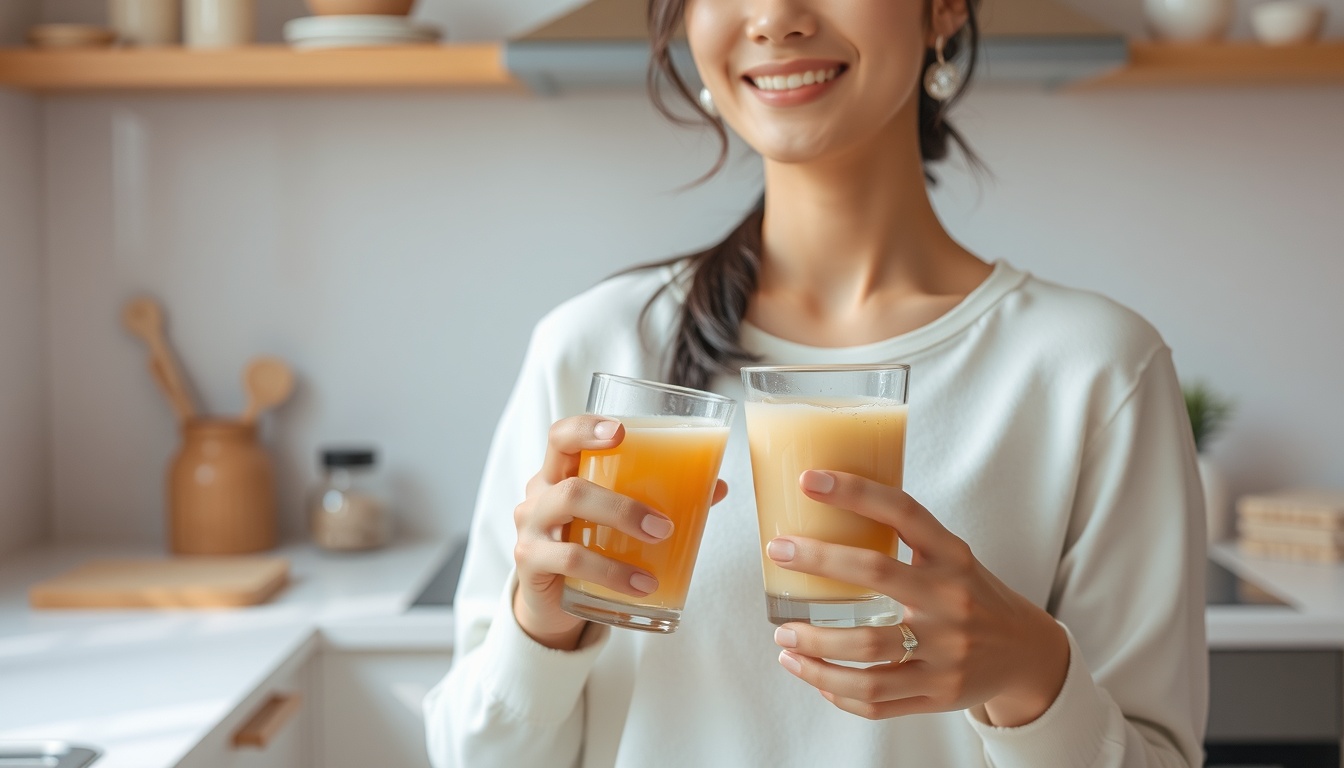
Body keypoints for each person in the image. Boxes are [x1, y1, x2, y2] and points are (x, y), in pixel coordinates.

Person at [423, 0, 1208, 765]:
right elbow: (470, 755)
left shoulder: (1097, 370)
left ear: (944, 11)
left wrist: (1034, 675)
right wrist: (539, 630)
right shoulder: (597, 348)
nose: (773, 16)